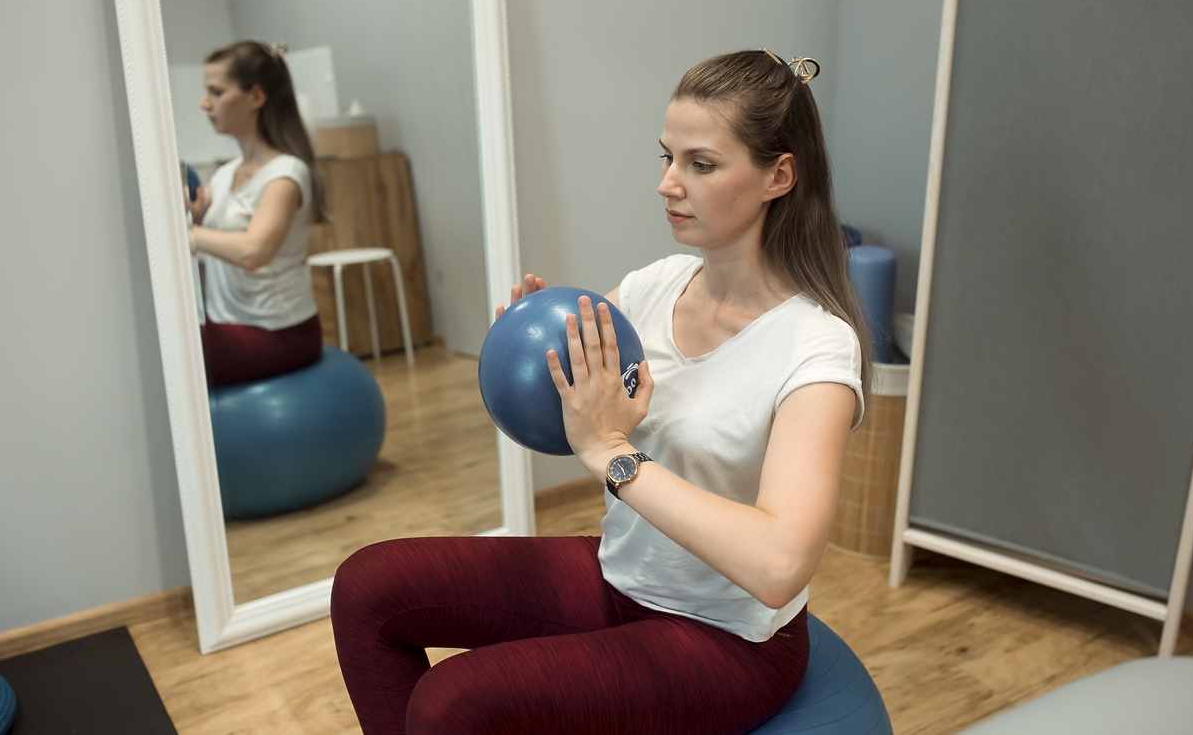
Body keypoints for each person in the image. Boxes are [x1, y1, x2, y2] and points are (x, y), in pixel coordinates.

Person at [330, 49, 872, 735]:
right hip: (619, 578)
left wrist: (614, 454)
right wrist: (528, 355)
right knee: (369, 587)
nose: (668, 184)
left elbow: (780, 564)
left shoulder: (814, 346)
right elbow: (572, 415)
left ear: (779, 176)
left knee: (452, 702)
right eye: (667, 157)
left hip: (726, 639)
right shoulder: (653, 286)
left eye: (701, 164)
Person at [185, 40, 328, 386]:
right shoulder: (226, 173)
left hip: (279, 332)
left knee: (177, 346)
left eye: (216, 92)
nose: (204, 103)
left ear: (256, 97)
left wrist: (191, 235)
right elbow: (207, 230)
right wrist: (193, 216)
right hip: (227, 324)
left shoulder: (285, 174)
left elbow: (254, 251)